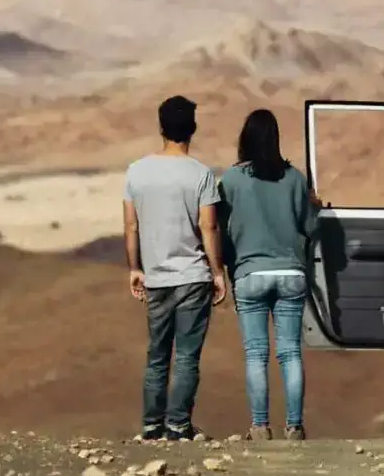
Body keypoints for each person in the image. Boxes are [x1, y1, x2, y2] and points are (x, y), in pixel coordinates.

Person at [123, 94, 227, 442]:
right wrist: (217, 271)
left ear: (161, 127)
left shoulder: (136, 172)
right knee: (186, 356)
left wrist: (135, 267)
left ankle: (151, 425)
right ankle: (178, 425)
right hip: (193, 276)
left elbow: (131, 226)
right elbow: (208, 228)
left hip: (156, 277)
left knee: (156, 353)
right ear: (192, 130)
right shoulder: (201, 174)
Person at [218, 108, 319, 442]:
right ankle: (294, 426)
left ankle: (260, 426)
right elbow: (310, 228)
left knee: (256, 354)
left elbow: (219, 229)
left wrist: (225, 268)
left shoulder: (230, 180)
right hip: (290, 272)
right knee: (290, 352)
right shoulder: (295, 179)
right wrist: (314, 206)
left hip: (249, 274)